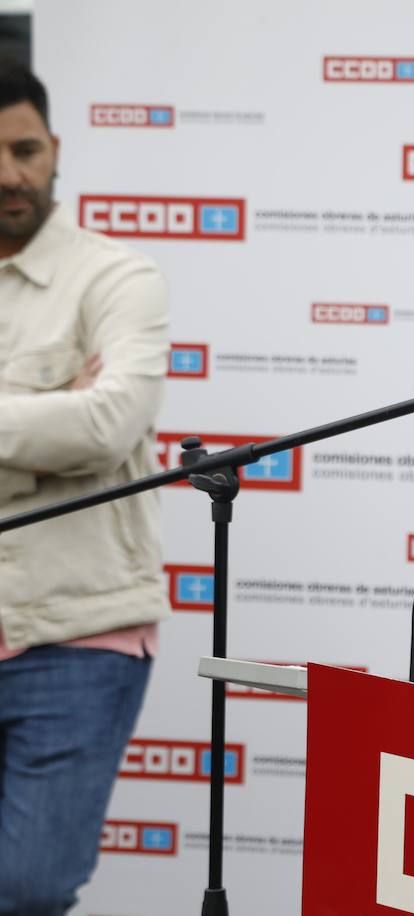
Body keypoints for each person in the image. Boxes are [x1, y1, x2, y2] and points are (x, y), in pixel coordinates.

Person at [0, 61, 170, 913]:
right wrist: (45, 414)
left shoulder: (117, 278)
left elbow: (110, 424)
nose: (8, 173)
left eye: (25, 149)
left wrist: (79, 414)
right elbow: (77, 427)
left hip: (75, 632)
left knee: (30, 889)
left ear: (55, 148)